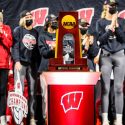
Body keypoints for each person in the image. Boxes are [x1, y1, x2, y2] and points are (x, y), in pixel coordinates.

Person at [96, 0, 125, 125]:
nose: (113, 7)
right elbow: (100, 41)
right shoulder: (100, 22)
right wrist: (110, 26)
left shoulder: (122, 21)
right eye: (111, 5)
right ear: (105, 6)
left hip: (119, 55)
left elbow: (123, 39)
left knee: (118, 88)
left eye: (115, 5)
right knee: (106, 89)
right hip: (106, 56)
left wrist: (116, 24)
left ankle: (118, 120)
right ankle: (105, 120)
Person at [12, 10, 38, 125]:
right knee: (19, 91)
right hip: (21, 63)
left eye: (30, 16)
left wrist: (37, 66)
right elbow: (15, 47)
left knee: (32, 92)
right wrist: (17, 61)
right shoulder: (18, 30)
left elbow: (37, 52)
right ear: (22, 18)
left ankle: (32, 117)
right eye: (27, 16)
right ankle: (20, 119)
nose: (29, 18)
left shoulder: (35, 32)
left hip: (31, 65)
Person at [38, 14, 58, 125]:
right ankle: (46, 119)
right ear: (48, 23)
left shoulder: (61, 35)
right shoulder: (42, 36)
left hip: (58, 69)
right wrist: (52, 49)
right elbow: (43, 53)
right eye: (53, 21)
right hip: (45, 69)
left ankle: (57, 117)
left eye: (56, 21)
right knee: (46, 96)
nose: (55, 22)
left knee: (57, 95)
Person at [0, 9, 13, 125]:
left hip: (3, 65)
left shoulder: (6, 28)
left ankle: (2, 118)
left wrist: (1, 33)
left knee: (2, 92)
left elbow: (9, 44)